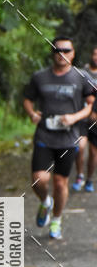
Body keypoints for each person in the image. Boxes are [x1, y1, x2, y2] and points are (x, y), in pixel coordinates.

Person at [23, 37, 94, 239]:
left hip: (68, 138)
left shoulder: (81, 77)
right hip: (44, 135)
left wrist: (75, 117)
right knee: (39, 179)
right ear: (52, 53)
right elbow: (27, 99)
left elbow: (90, 104)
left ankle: (56, 219)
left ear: (73, 53)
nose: (61, 53)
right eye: (57, 50)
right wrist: (32, 114)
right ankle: (46, 202)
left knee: (60, 182)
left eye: (66, 50)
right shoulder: (39, 77)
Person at [72, 46, 97, 192]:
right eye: (94, 54)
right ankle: (79, 175)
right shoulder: (82, 73)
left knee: (93, 153)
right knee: (80, 147)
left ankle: (89, 179)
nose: (96, 57)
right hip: (82, 116)